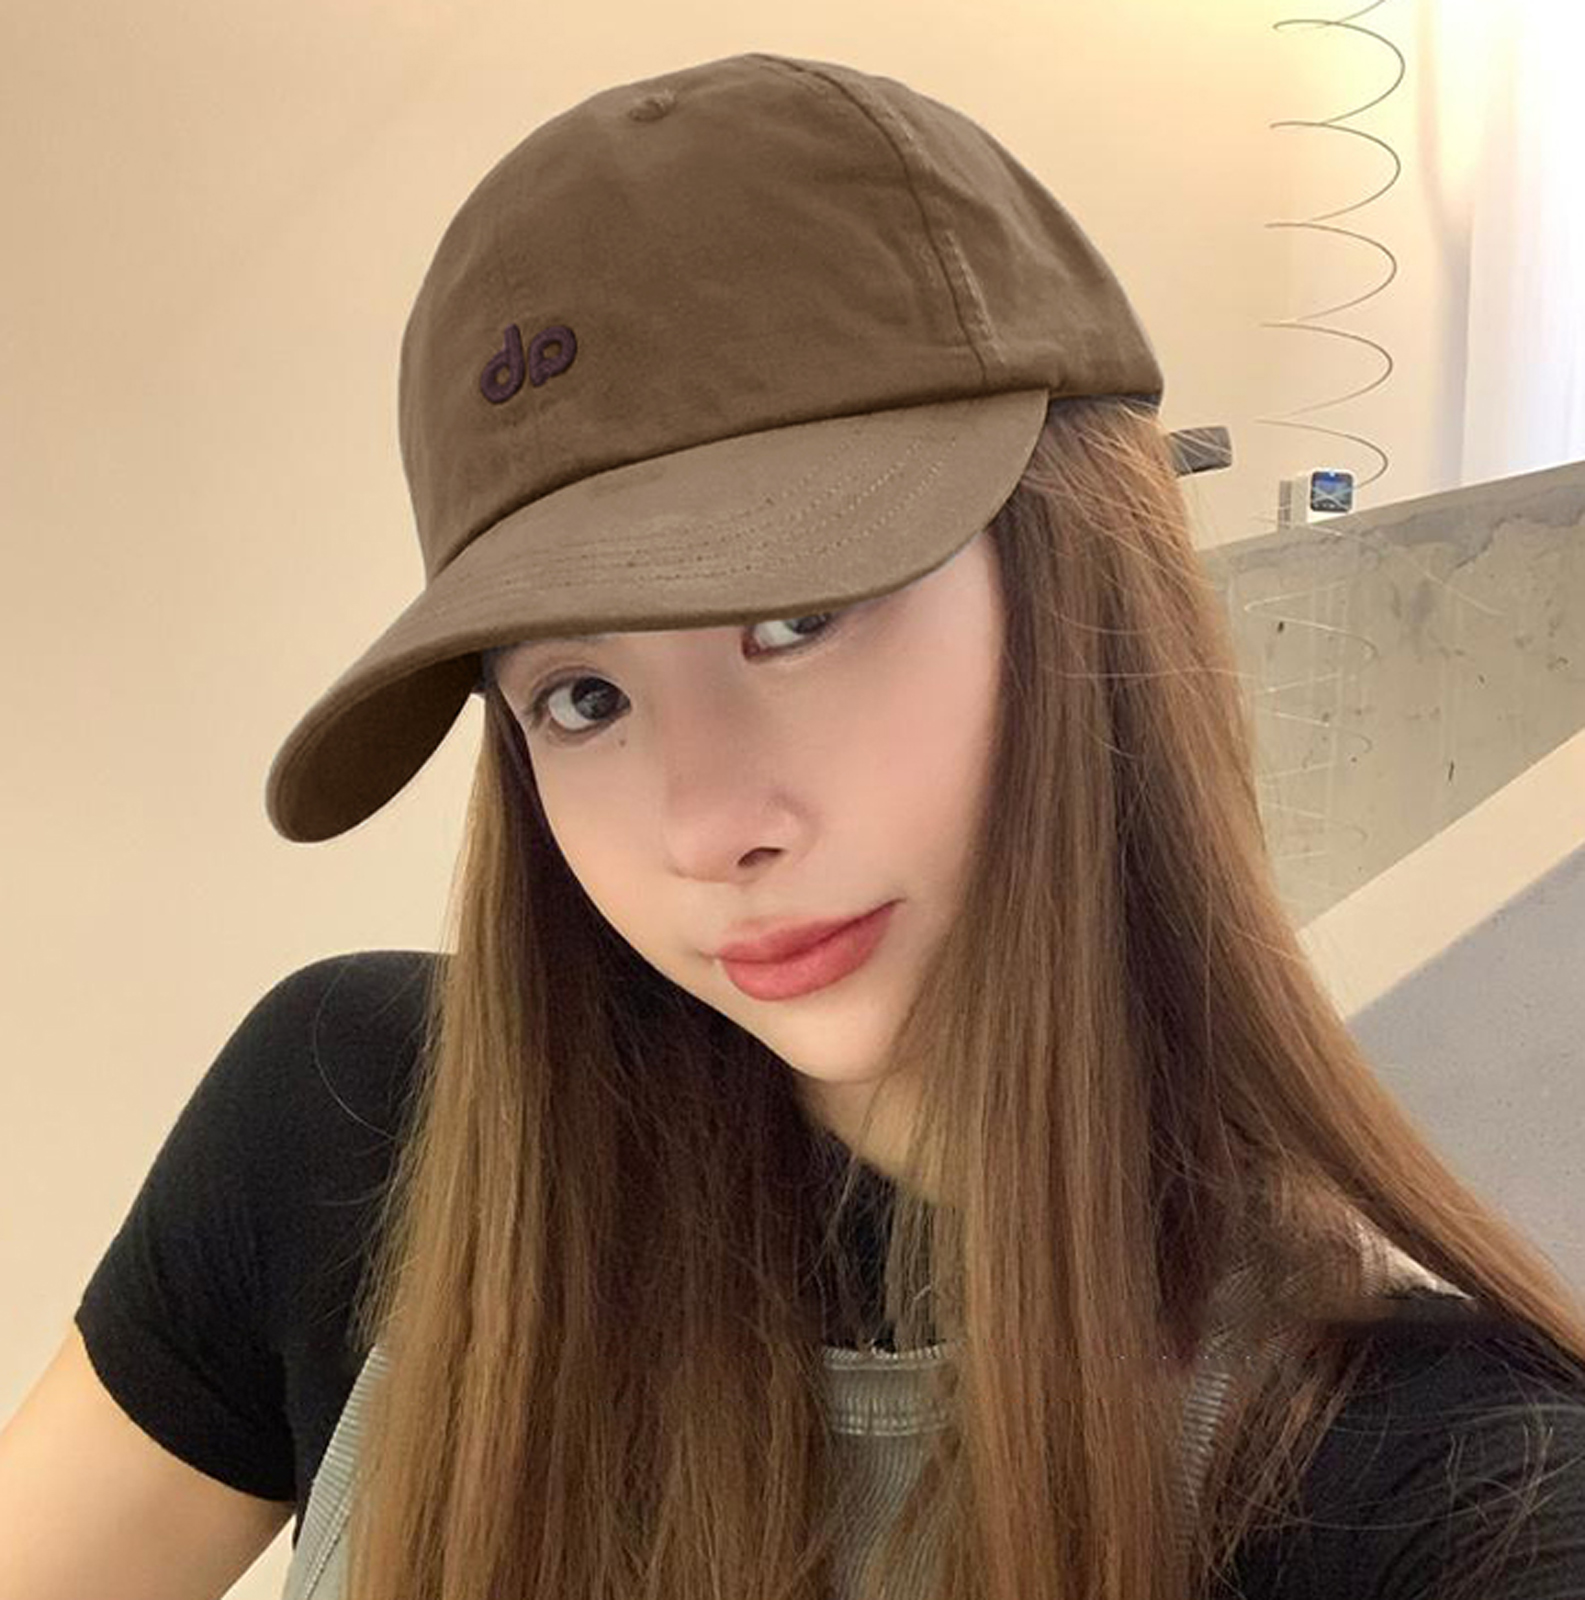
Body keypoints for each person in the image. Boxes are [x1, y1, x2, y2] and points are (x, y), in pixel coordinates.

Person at [21, 48, 1585, 1600]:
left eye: (799, 617)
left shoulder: (1438, 1484)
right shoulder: (344, 1132)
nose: (710, 826)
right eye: (582, 696)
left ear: (1082, 577)